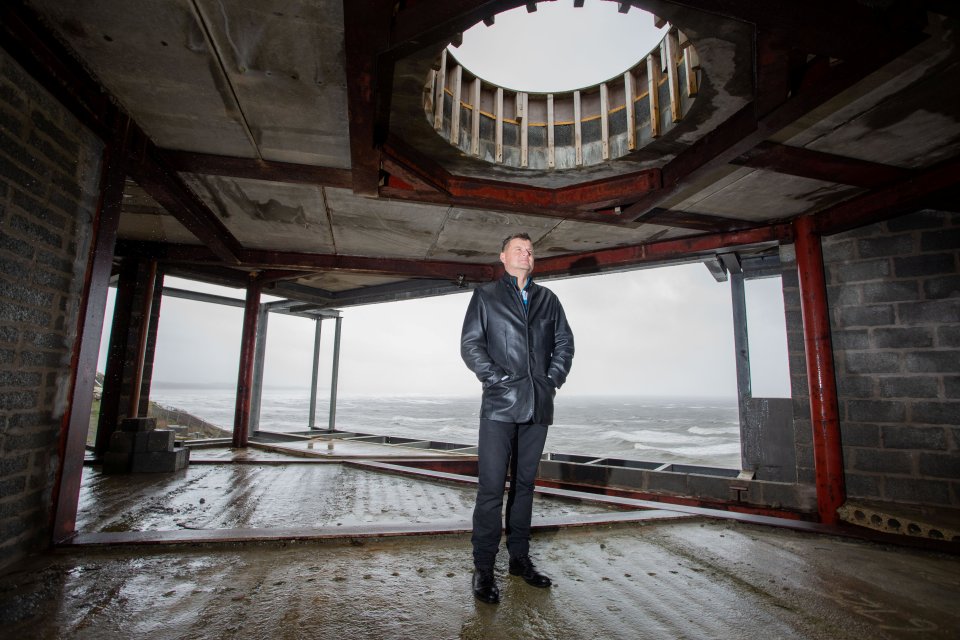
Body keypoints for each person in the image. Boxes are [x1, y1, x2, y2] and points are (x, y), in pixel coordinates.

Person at [460, 232, 575, 604]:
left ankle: (519, 560)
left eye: (530, 250)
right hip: (498, 406)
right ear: (503, 256)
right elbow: (471, 345)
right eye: (518, 249)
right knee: (491, 489)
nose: (526, 254)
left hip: (538, 406)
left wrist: (550, 380)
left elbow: (564, 344)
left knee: (525, 487)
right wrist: (497, 381)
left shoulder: (548, 299)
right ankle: (483, 569)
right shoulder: (486, 296)